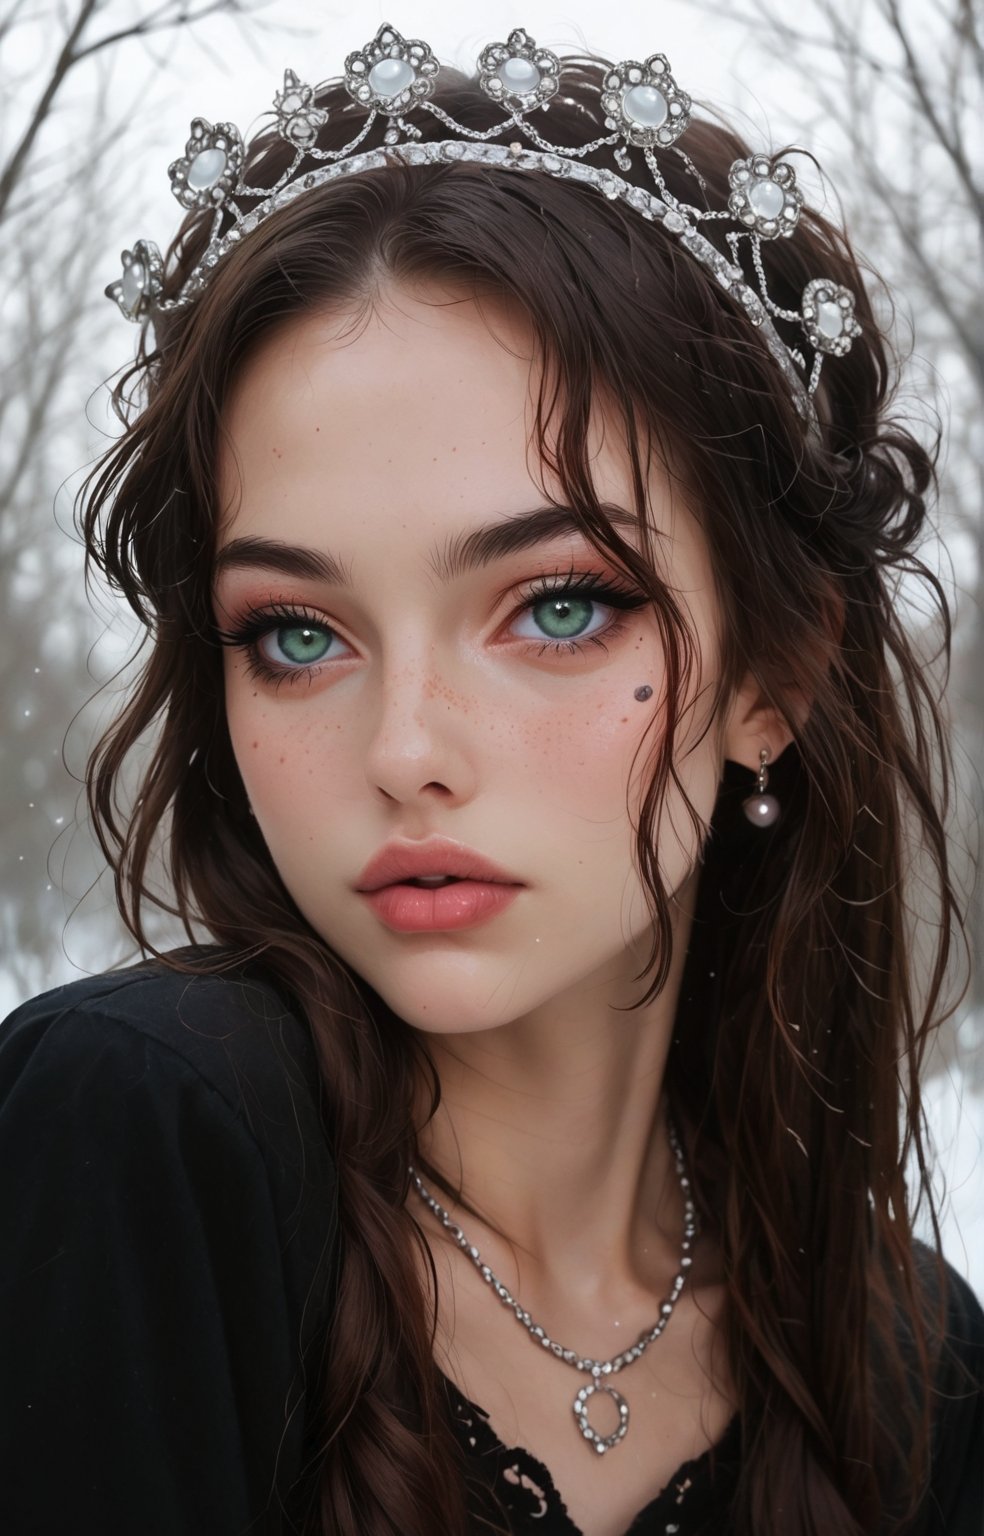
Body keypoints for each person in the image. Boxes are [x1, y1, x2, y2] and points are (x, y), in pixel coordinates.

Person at [0, 21, 981, 1536]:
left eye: (560, 607)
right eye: (299, 633)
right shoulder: (146, 1140)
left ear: (775, 677)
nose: (403, 751)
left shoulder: (910, 1360)